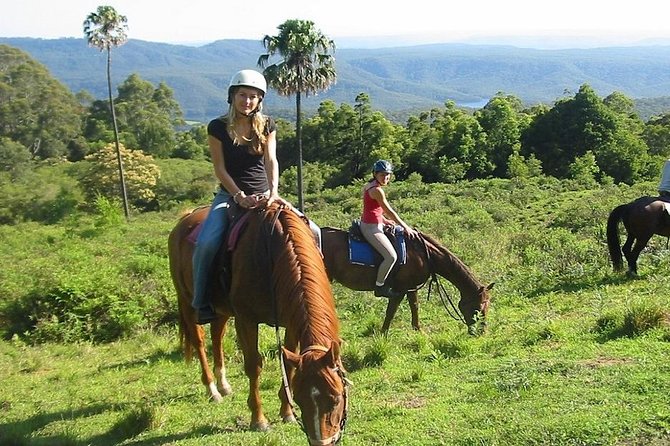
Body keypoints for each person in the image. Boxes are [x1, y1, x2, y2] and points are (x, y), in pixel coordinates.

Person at [192, 69, 290, 324]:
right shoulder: (217, 127)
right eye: (243, 95)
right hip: (229, 195)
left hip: (266, 194)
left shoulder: (267, 125)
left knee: (311, 231)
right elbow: (219, 168)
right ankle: (201, 301)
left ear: (260, 100)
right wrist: (238, 196)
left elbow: (271, 160)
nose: (247, 101)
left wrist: (274, 192)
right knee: (207, 243)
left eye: (253, 97)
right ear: (232, 96)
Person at [360, 160, 418, 299]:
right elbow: (390, 211)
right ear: (375, 174)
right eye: (382, 175)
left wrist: (384, 221)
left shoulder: (370, 186)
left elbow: (372, 209)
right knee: (391, 256)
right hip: (371, 227)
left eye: (387, 175)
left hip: (374, 222)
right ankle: (380, 286)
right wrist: (406, 227)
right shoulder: (377, 190)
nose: (385, 178)